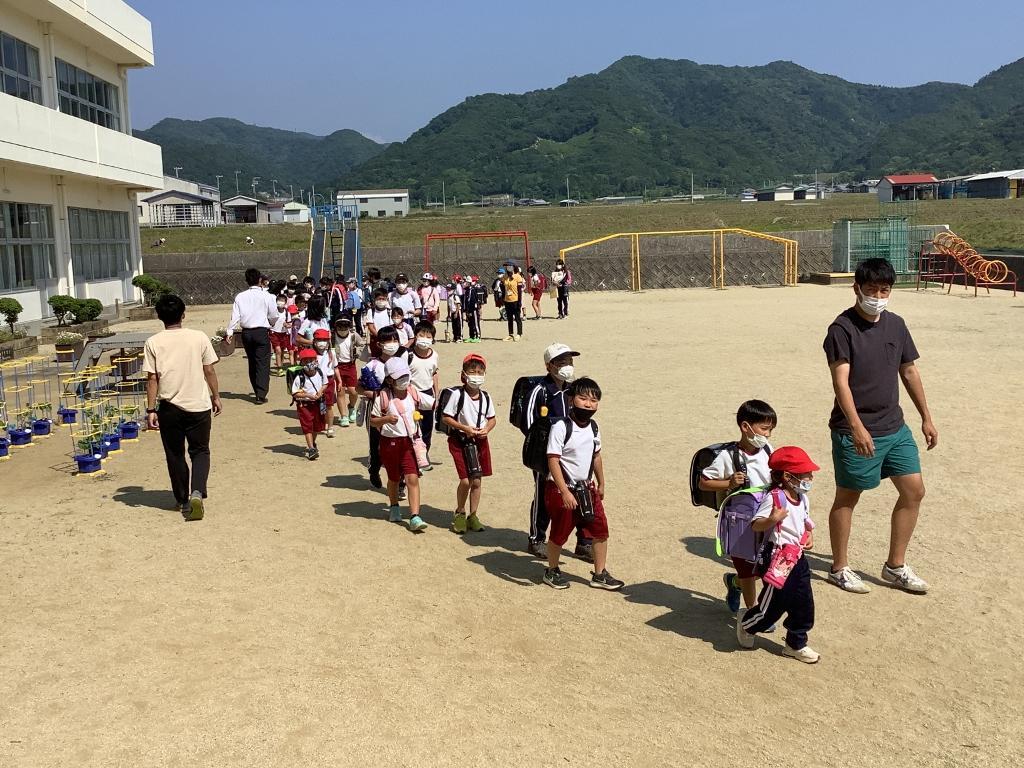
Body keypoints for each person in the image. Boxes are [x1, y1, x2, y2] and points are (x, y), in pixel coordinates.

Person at [823, 257, 937, 595]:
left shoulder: (896, 325)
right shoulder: (841, 329)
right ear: (856, 288)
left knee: (914, 491)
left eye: (884, 290)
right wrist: (857, 427)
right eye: (871, 289)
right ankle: (839, 567)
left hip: (894, 426)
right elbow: (841, 382)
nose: (877, 296)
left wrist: (926, 417)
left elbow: (909, 371)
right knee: (848, 497)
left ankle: (895, 566)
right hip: (855, 429)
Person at [737, 446, 820, 664]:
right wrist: (773, 519)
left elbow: (805, 520)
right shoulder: (775, 498)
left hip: (797, 557)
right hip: (777, 558)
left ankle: (796, 643)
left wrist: (808, 534)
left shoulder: (802, 497)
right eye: (806, 474)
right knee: (772, 606)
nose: (810, 478)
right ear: (787, 476)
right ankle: (747, 623)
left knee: (804, 603)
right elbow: (756, 525)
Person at [143, 294, 221, 521]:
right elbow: (209, 370)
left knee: (175, 454)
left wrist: (151, 410)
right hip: (198, 404)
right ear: (183, 314)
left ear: (159, 316)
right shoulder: (199, 337)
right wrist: (216, 396)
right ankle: (197, 491)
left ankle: (182, 499)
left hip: (170, 407)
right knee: (200, 450)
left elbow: (152, 379)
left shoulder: (153, 342)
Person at [542, 377, 623, 591]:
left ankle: (600, 574)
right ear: (571, 400)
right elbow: (553, 460)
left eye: (594, 400)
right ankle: (552, 570)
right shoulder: (561, 427)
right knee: (559, 532)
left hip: (587, 488)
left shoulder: (594, 428)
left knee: (600, 530)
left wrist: (601, 483)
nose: (588, 404)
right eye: (583, 398)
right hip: (562, 489)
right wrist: (564, 491)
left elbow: (596, 456)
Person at [699, 400, 777, 613]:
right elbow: (704, 482)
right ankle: (752, 613)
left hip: (765, 516)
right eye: (764, 429)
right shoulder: (728, 456)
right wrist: (729, 483)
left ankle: (734, 583)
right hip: (742, 523)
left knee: (766, 565)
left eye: (770, 430)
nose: (768, 435)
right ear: (745, 427)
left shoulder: (767, 450)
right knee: (747, 569)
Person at [525, 343, 591, 561]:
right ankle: (536, 538)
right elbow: (529, 424)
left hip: (571, 453)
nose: (567, 366)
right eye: (561, 362)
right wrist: (547, 443)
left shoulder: (573, 390)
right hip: (545, 453)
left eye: (569, 361)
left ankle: (584, 542)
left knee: (582, 492)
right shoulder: (540, 390)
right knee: (543, 495)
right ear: (549, 365)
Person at [369, 357, 434, 532]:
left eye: (406, 375)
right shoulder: (383, 398)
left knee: (412, 478)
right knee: (394, 478)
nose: (404, 380)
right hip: (389, 443)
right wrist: (386, 419)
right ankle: (394, 506)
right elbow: (373, 421)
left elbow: (432, 403)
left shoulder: (413, 393)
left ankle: (415, 516)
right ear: (390, 380)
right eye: (400, 377)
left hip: (409, 443)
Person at [441, 353, 495, 534]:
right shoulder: (457, 395)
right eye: (472, 372)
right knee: (465, 481)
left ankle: (473, 515)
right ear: (464, 374)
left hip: (480, 440)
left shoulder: (486, 397)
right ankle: (460, 512)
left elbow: (492, 419)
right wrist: (464, 428)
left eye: (480, 372)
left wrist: (487, 429)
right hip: (460, 441)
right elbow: (446, 418)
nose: (476, 376)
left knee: (477, 480)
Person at [359, 325, 403, 489]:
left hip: (398, 407)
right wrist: (372, 394)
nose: (392, 344)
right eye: (387, 341)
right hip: (376, 408)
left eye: (395, 340)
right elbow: (358, 387)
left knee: (401, 443)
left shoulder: (403, 362)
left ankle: (401, 482)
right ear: (379, 344)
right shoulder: (372, 365)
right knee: (377, 444)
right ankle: (374, 468)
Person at [227, 267, 278, 403]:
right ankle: (261, 393)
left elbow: (235, 316)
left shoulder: (240, 296)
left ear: (246, 280)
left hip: (246, 333)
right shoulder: (267, 296)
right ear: (260, 280)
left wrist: (230, 331)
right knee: (262, 362)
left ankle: (256, 389)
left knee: (252, 361)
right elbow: (274, 315)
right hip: (261, 332)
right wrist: (271, 323)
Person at [409, 321, 440, 461]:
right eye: (421, 335)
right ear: (415, 336)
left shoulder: (434, 355)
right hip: (411, 394)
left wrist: (436, 393)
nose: (425, 339)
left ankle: (424, 452)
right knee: (413, 425)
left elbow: (434, 373)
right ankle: (413, 454)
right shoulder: (409, 355)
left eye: (428, 336)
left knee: (427, 425)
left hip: (428, 393)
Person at [292, 347, 327, 460]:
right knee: (307, 426)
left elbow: (325, 384)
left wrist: (320, 392)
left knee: (317, 426)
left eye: (311, 360)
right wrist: (308, 395)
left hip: (318, 403)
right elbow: (295, 393)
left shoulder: (320, 373)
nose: (309, 363)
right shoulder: (300, 377)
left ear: (316, 361)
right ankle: (311, 448)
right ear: (301, 363)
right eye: (306, 361)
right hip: (305, 405)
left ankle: (313, 442)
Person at [333, 317, 363, 427]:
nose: (342, 329)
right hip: (337, 366)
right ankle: (343, 416)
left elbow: (361, 344)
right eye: (340, 326)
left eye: (345, 326)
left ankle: (351, 407)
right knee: (340, 391)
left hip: (350, 366)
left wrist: (358, 353)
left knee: (353, 391)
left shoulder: (353, 335)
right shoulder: (332, 337)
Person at [312, 329, 338, 438]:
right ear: (314, 341)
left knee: (329, 406)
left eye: (324, 339)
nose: (322, 342)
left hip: (329, 381)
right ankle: (317, 426)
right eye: (319, 339)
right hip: (315, 381)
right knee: (315, 405)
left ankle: (330, 427)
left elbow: (335, 368)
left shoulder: (331, 353)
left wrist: (339, 381)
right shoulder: (311, 354)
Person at [364, 288, 393, 356]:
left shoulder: (389, 311)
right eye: (379, 299)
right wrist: (379, 337)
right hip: (375, 339)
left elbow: (391, 326)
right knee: (376, 357)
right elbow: (370, 327)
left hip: (387, 339)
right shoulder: (371, 311)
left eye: (383, 299)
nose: (381, 301)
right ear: (375, 299)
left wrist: (386, 336)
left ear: (387, 299)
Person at [269, 292, 292, 374]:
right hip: (274, 332)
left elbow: (289, 323)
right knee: (278, 350)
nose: (280, 302)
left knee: (282, 350)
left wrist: (287, 325)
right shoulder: (273, 311)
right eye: (279, 300)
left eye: (282, 301)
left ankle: (280, 365)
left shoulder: (287, 312)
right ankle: (279, 368)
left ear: (285, 302)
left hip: (283, 333)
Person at [502, 265, 526, 340]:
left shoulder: (517, 276)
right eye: (507, 267)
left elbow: (519, 290)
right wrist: (503, 298)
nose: (508, 268)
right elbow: (504, 288)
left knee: (517, 317)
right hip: (507, 300)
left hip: (515, 300)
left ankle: (519, 333)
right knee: (509, 318)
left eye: (509, 267)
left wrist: (519, 301)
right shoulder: (505, 277)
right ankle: (510, 334)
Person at [462, 275, 482, 343]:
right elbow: (466, 301)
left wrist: (473, 309)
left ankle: (478, 337)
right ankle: (471, 336)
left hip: (473, 310)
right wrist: (466, 310)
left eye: (466, 282)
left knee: (475, 323)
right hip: (468, 310)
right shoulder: (466, 291)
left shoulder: (472, 290)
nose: (464, 283)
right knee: (470, 323)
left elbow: (473, 301)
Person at [447, 277, 463, 343]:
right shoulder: (449, 297)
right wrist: (449, 314)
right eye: (448, 289)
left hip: (457, 312)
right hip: (452, 312)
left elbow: (458, 305)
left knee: (458, 324)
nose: (448, 291)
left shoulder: (455, 297)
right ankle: (455, 336)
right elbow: (448, 306)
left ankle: (459, 337)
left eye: (450, 289)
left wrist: (456, 312)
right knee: (454, 325)